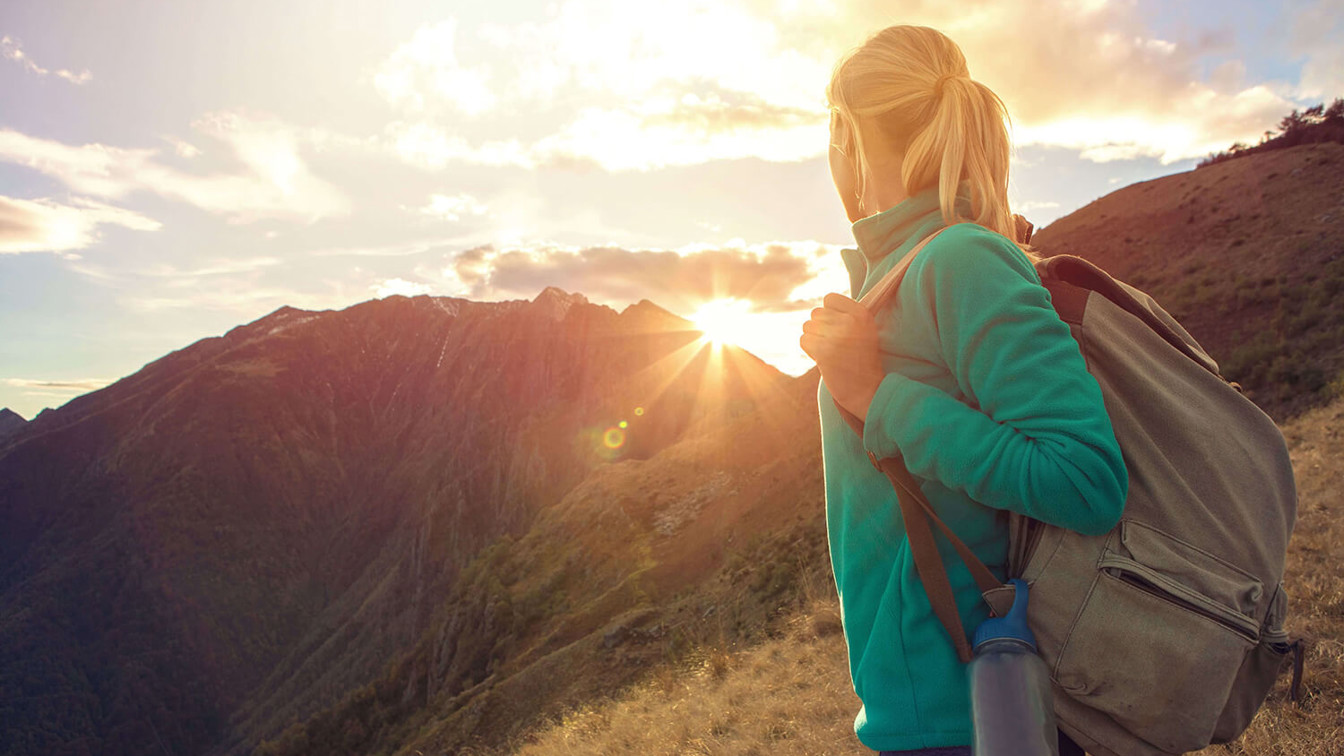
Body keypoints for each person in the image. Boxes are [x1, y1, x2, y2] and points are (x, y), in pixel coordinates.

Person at [799, 25, 1128, 756]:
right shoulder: (909, 270)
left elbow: (1085, 479)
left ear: (847, 137)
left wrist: (878, 397)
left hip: (981, 713)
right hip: (928, 708)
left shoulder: (961, 261)